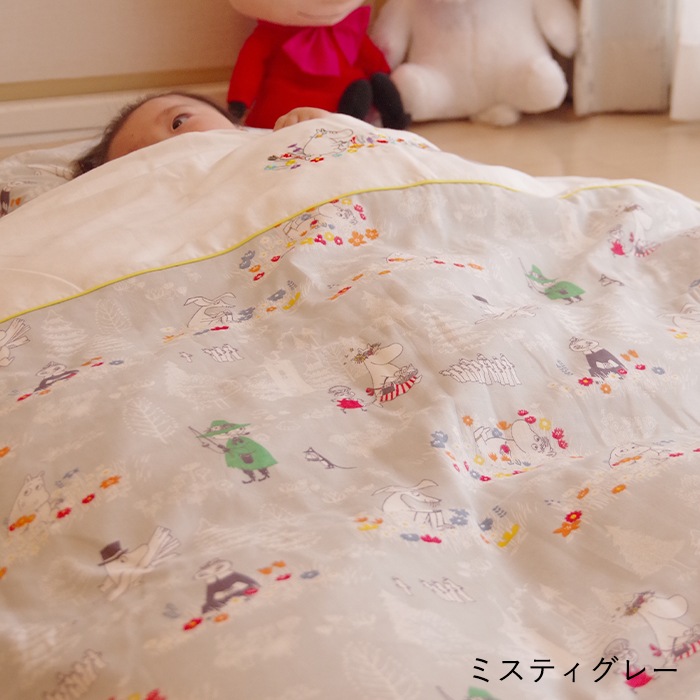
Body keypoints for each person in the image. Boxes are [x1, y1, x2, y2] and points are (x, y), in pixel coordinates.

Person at [74, 91, 329, 176]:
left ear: (237, 126)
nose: (173, 145)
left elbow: (345, 149)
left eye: (178, 122)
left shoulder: (278, 140)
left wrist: (318, 125)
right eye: (147, 154)